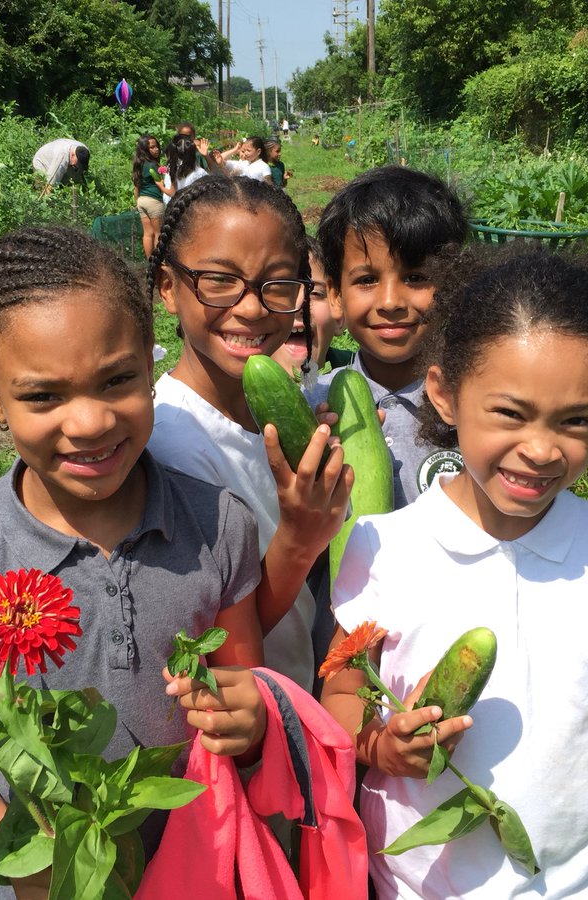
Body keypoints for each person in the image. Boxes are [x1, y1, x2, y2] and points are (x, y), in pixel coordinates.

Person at [320, 241, 588, 898]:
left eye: (574, 422)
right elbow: (340, 696)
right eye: (510, 413)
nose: (540, 449)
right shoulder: (382, 545)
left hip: (582, 877)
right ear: (445, 395)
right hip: (426, 881)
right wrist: (383, 747)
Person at [0, 225, 267, 900]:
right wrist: (41, 866)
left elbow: (244, 690)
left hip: (194, 871)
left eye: (118, 379)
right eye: (44, 396)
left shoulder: (219, 527)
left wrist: (249, 717)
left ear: (150, 363)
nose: (91, 422)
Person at [145, 175, 353, 690]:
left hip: (296, 701)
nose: (253, 307)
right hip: (244, 730)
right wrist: (300, 539)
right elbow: (221, 641)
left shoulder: (273, 408)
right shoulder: (171, 445)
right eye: (220, 279)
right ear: (168, 288)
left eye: (279, 283)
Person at [310, 165, 470, 510]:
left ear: (453, 285)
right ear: (336, 295)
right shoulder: (313, 408)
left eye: (415, 277)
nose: (390, 302)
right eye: (366, 280)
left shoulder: (475, 406)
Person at [271, 236, 352, 377]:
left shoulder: (367, 376)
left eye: (315, 293)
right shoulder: (229, 390)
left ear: (340, 318)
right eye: (282, 289)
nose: (300, 305)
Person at [133, 134, 173, 258]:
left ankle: (149, 261)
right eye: (152, 147)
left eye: (156, 146)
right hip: (153, 202)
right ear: (145, 150)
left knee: (147, 233)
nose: (156, 149)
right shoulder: (152, 166)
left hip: (141, 201)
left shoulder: (139, 165)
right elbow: (161, 185)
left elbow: (136, 187)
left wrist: (136, 202)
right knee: (158, 233)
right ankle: (158, 262)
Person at [162, 133, 209, 206]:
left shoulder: (171, 168)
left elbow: (168, 197)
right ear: (193, 153)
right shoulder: (200, 172)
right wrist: (206, 156)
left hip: (171, 210)